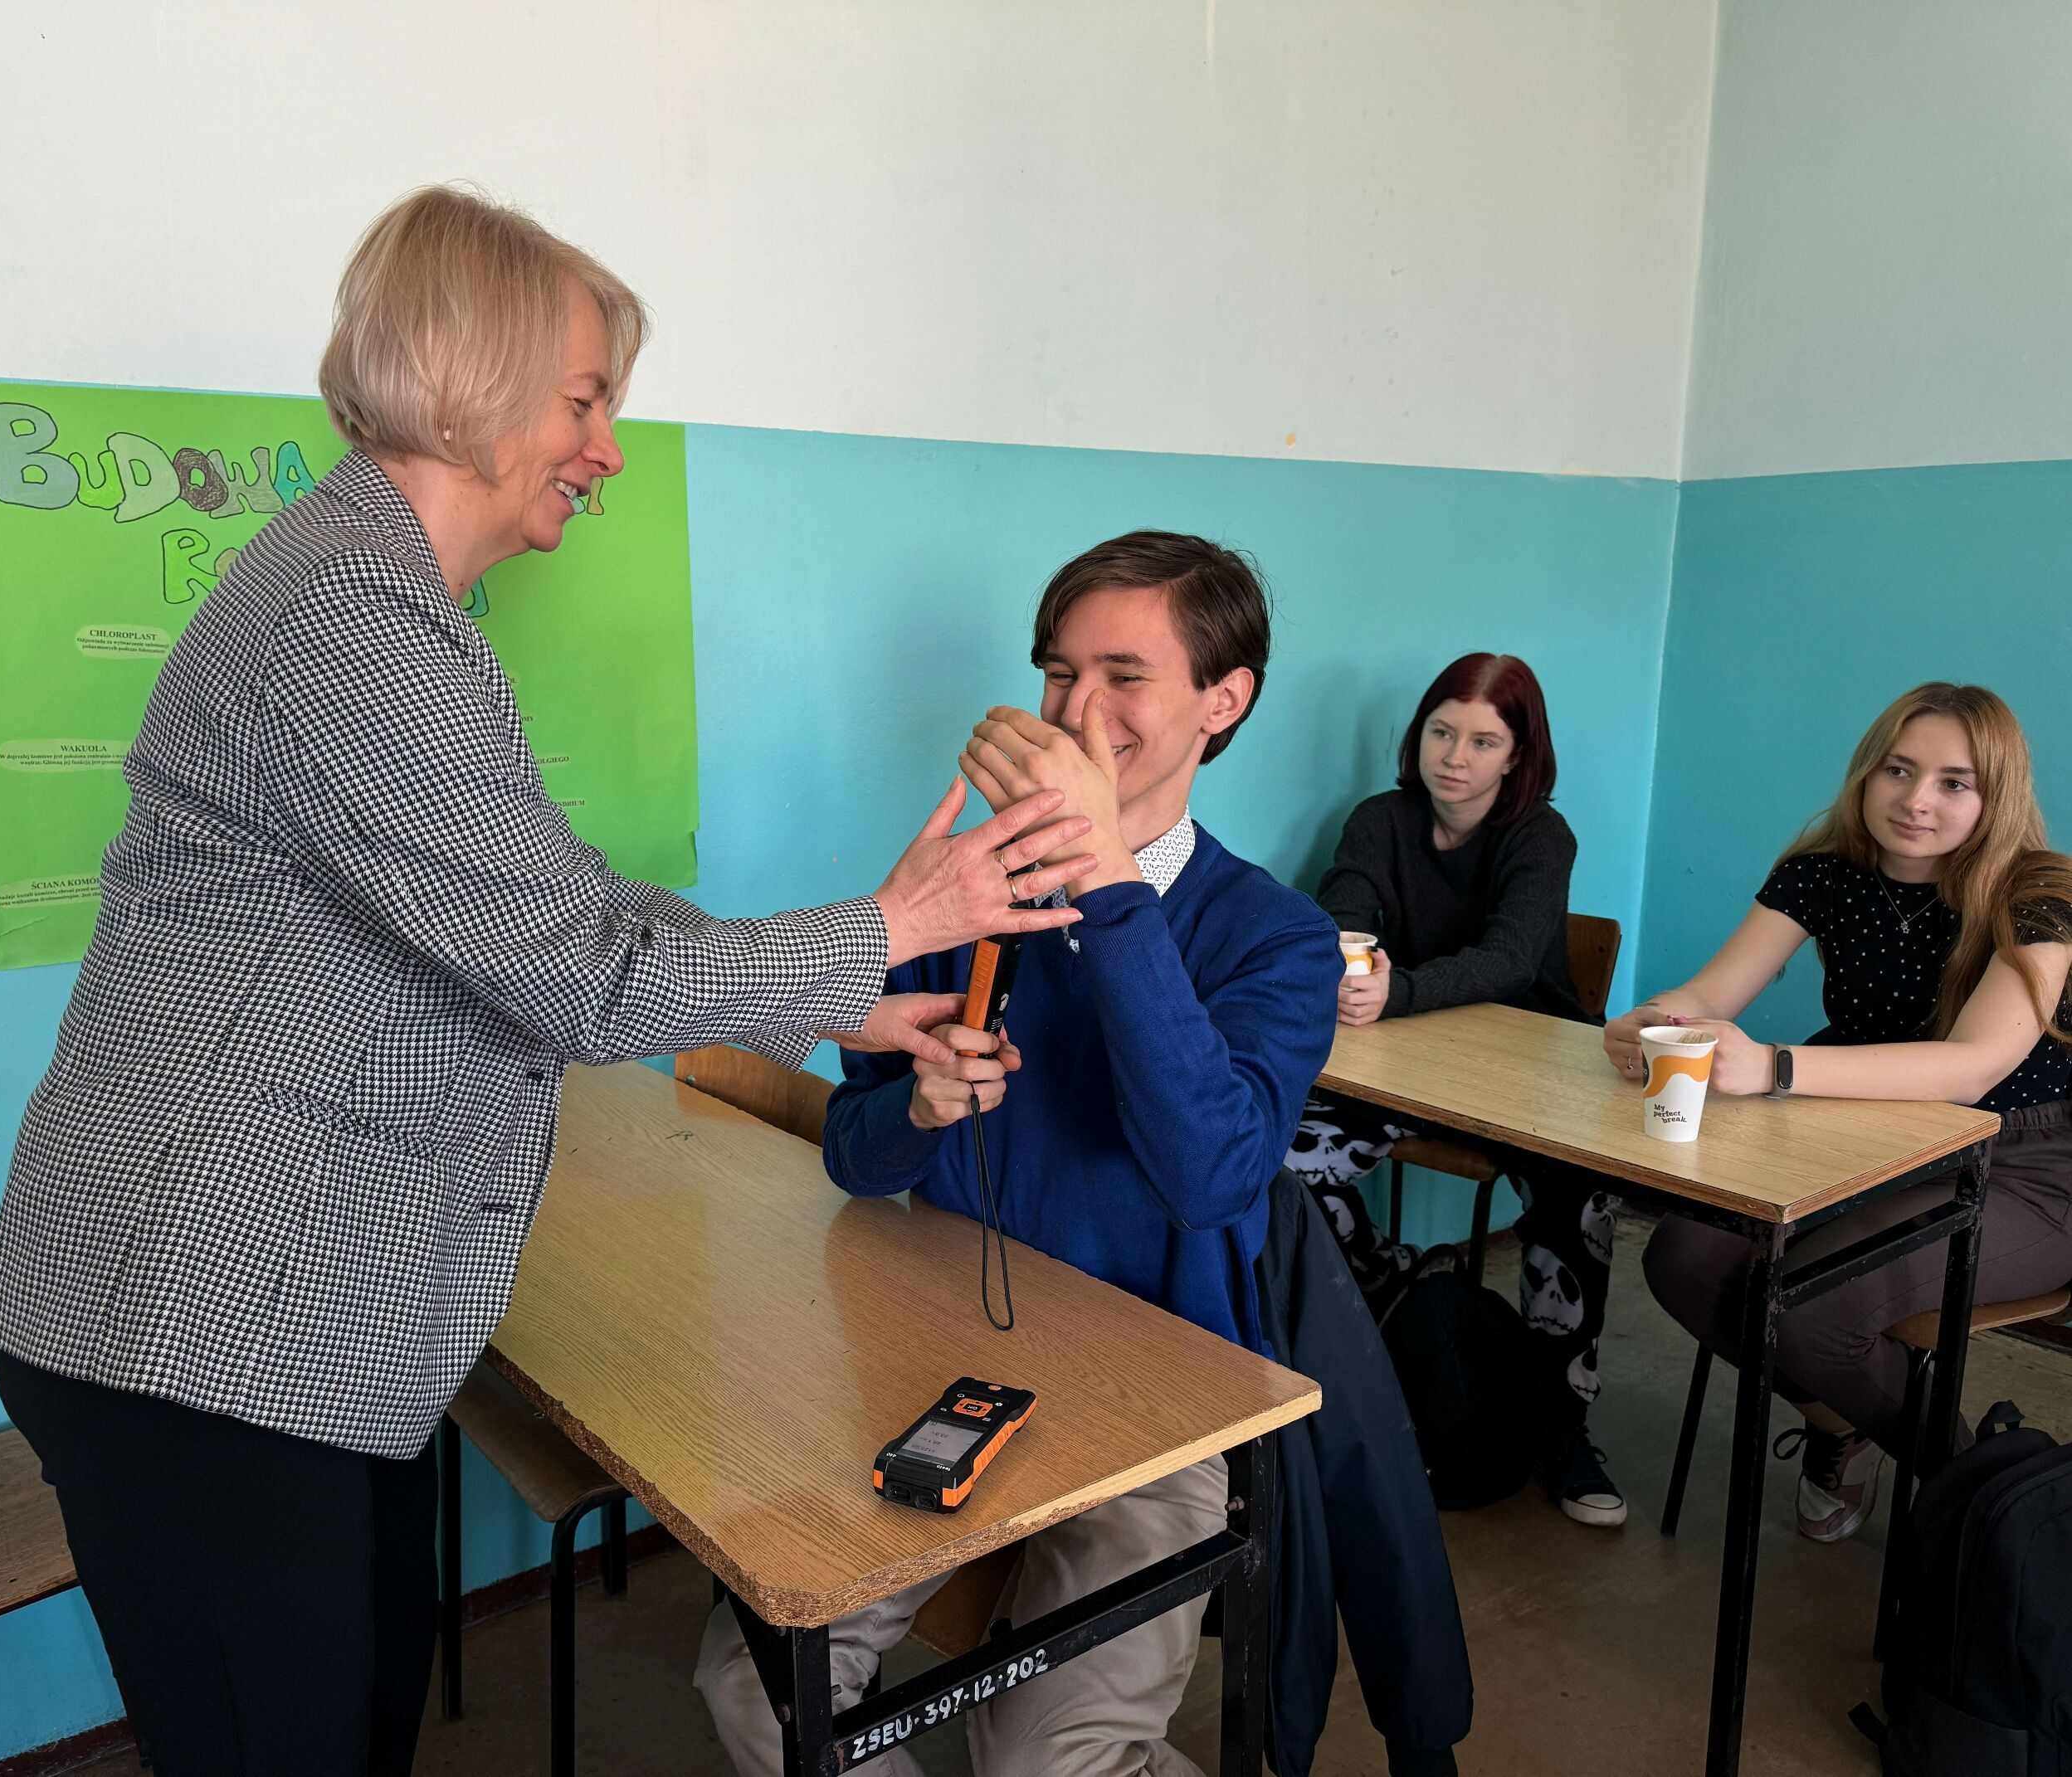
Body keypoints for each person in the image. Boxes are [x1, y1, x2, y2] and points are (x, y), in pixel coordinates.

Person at [0, 186, 1103, 1777]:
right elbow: (581, 976)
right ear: (471, 383)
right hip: (198, 1320)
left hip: (280, 1317)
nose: (606, 448)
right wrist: (896, 919)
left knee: (356, 1697)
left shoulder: (387, 607)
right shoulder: (350, 624)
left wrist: (833, 999)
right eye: (584, 401)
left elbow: (557, 897)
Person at [694, 532, 1470, 1777]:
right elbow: (853, 1152)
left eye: (1124, 675)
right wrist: (919, 1113)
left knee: (1052, 1760)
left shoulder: (1273, 935)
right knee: (756, 1686)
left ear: (1224, 701)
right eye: (1058, 672)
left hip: (1156, 1408)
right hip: (940, 1371)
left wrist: (1111, 885)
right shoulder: (961, 895)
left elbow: (1211, 1177)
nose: (1073, 712)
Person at [1626, 682, 2072, 1543]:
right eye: (1898, 770)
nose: (1915, 800)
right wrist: (1654, 1020)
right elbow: (1710, 993)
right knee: (1684, 1259)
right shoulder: (1821, 873)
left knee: (1811, 1309)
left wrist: (1775, 1067)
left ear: (1998, 796)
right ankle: (1845, 1420)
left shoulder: (2042, 895)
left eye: (1954, 782)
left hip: (2022, 1159)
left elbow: (1973, 1066)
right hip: (1861, 1133)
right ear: (1866, 773)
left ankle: (1989, 1509)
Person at [1280, 652, 1630, 1527]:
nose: (1455, 757)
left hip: (1530, 1068)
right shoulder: (1380, 819)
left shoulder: (1541, 836)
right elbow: (1342, 911)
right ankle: (1400, 1288)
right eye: (1442, 732)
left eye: (1483, 741)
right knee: (1279, 1154)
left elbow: (1509, 960)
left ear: (1518, 756)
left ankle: (1562, 1422)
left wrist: (1393, 989)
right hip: (1404, 1062)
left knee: (1581, 1194)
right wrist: (1346, 958)